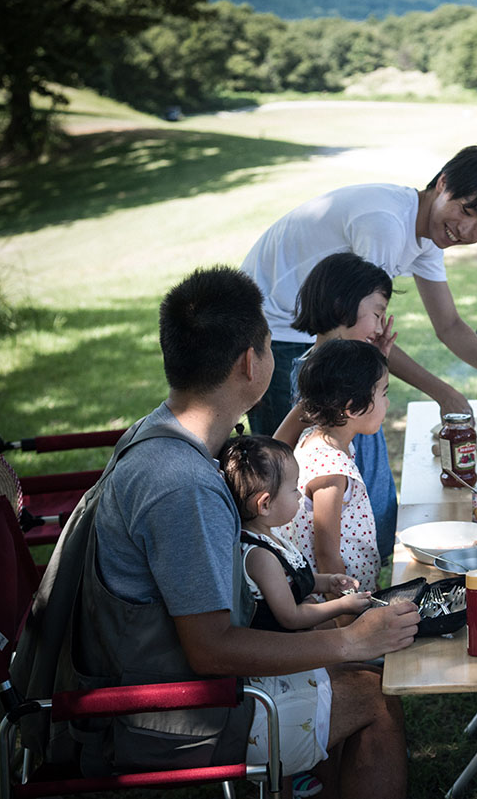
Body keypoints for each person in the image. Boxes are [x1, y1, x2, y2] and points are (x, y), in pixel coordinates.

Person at [91, 267, 418, 796]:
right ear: (251, 361)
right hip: (173, 714)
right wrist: (346, 642)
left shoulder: (167, 435)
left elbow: (265, 462)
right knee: (376, 697)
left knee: (363, 681)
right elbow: (212, 651)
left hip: (173, 683)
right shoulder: (183, 488)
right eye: (269, 344)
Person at [242, 144, 477, 436]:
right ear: (443, 183)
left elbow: (449, 325)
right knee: (282, 462)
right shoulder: (386, 224)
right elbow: (364, 331)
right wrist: (444, 393)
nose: (466, 231)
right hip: (274, 329)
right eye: (466, 210)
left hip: (316, 328)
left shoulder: (429, 234)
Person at [220, 434, 374, 798]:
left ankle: (313, 775)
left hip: (291, 657)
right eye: (293, 489)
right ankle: (291, 778)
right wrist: (343, 605)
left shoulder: (272, 537)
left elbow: (297, 581)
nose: (300, 495)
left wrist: (327, 580)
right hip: (278, 674)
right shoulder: (259, 556)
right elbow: (290, 616)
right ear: (265, 503)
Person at [274, 252, 400, 562]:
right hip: (342, 520)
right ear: (341, 305)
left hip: (364, 515)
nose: (381, 324)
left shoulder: (353, 368)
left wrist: (376, 363)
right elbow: (288, 438)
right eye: (377, 313)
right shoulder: (315, 373)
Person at [286, 339, 389, 594]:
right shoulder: (331, 470)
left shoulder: (315, 437)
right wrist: (347, 622)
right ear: (353, 406)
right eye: (384, 393)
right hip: (334, 610)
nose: (387, 403)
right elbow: (327, 556)